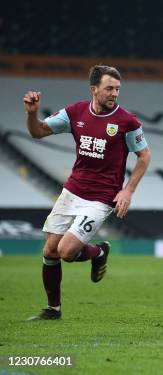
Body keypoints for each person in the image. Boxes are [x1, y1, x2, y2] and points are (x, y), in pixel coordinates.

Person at [24, 65, 151, 320]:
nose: (114, 93)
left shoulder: (127, 122)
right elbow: (38, 132)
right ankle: (53, 309)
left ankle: (98, 252)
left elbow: (144, 156)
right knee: (50, 251)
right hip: (72, 190)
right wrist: (33, 114)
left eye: (117, 89)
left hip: (101, 197)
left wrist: (128, 190)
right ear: (94, 89)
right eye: (109, 88)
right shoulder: (75, 113)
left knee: (66, 252)